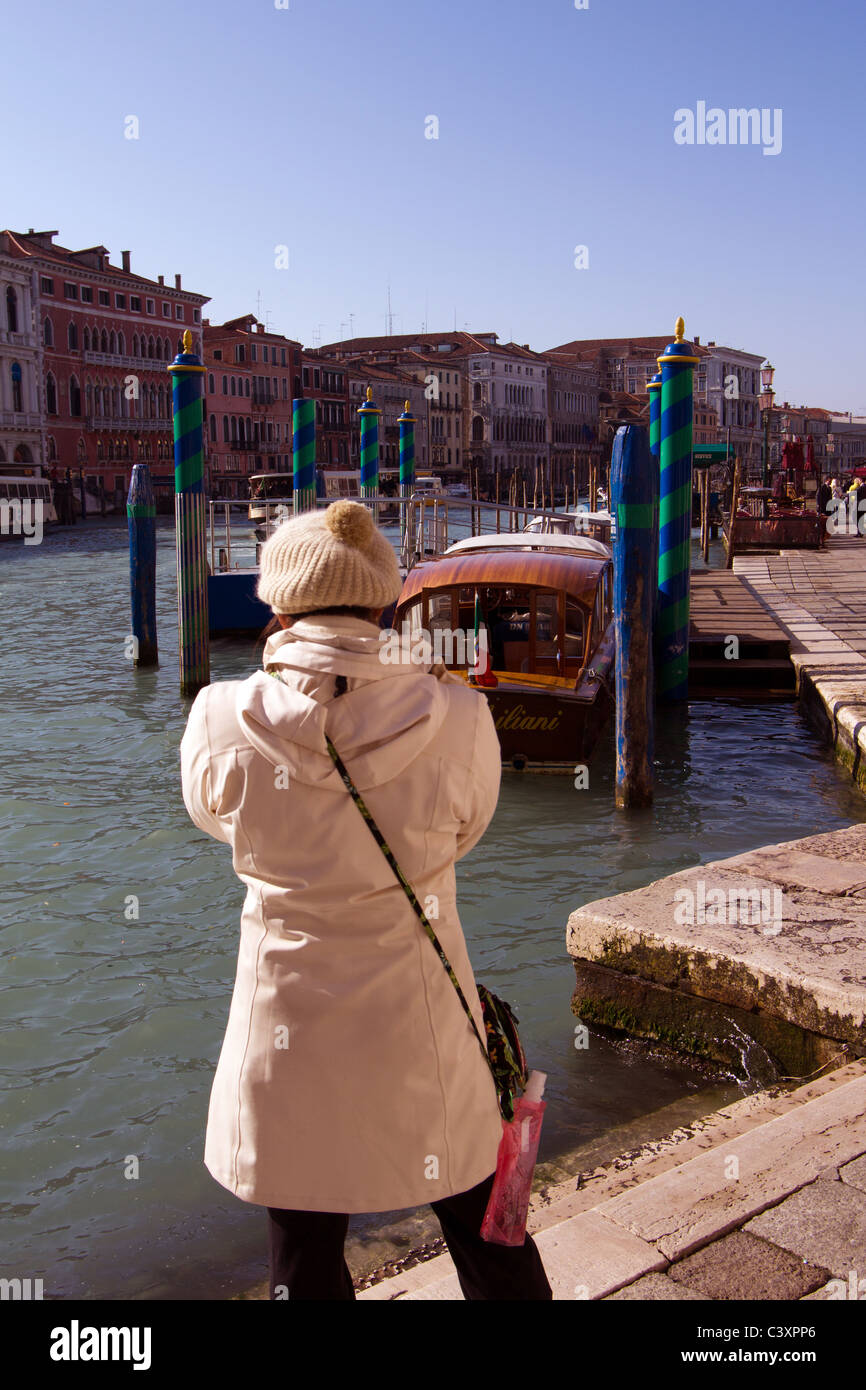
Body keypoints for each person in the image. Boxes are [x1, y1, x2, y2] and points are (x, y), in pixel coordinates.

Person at [180, 500, 551, 1301]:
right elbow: (466, 832)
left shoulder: (218, 716)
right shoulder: (459, 714)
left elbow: (216, 821)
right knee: (490, 1236)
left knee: (304, 1263)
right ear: (384, 600)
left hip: (286, 1037)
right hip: (427, 1025)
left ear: (277, 604)